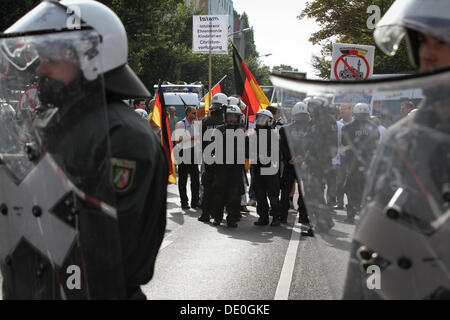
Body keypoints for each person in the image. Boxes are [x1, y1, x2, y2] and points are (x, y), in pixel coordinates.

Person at [0, 0, 167, 300]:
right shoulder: (54, 123)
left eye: (50, 57)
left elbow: (105, 254)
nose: (40, 68)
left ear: (91, 58)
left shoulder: (124, 135)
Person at [344, 0, 450, 299]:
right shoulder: (402, 138)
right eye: (422, 41)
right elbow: (370, 248)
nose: (428, 53)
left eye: (441, 41)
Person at [300, 97, 338, 234]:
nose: (310, 108)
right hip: (321, 162)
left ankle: (320, 224)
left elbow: (317, 144)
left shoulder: (322, 121)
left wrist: (307, 160)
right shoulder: (325, 119)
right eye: (309, 105)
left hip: (317, 162)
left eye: (313, 105)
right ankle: (325, 222)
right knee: (316, 193)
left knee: (314, 193)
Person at [341, 103, 379, 223]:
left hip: (352, 165)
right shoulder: (374, 127)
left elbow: (344, 143)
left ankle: (351, 216)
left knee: (350, 189)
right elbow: (375, 143)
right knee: (366, 191)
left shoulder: (347, 127)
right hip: (367, 165)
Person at [209, 104, 246, 228]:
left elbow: (247, 149)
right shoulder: (219, 130)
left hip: (236, 168)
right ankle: (217, 217)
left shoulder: (242, 131)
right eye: (230, 116)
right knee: (219, 193)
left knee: (234, 195)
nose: (232, 119)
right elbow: (212, 148)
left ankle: (232, 218)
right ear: (225, 116)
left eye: (234, 117)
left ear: (238, 118)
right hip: (221, 168)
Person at [198, 93, 227, 222]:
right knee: (220, 186)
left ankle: (205, 214)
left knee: (207, 186)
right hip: (223, 159)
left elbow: (201, 140)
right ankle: (217, 214)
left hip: (208, 157)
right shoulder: (226, 120)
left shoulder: (205, 120)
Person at [251, 109, 282, 227]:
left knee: (273, 195)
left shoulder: (274, 135)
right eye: (259, 118)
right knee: (260, 194)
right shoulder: (253, 134)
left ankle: (276, 217)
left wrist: (262, 156)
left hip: (271, 170)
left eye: (263, 119)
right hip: (258, 169)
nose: (260, 121)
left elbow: (275, 152)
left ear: (269, 121)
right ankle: (263, 217)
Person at [279, 102, 309, 224]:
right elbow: (312, 147)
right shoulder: (311, 129)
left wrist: (290, 159)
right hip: (303, 165)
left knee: (285, 191)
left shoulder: (284, 129)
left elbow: (282, 147)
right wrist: (303, 158)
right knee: (304, 192)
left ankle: (283, 216)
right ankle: (303, 217)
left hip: (290, 164)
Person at [174, 106, 200, 210]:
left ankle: (195, 201)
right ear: (188, 113)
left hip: (193, 152)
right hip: (183, 152)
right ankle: (184, 202)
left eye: (195, 113)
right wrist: (191, 138)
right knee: (183, 179)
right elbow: (177, 141)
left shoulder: (196, 124)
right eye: (194, 113)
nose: (195, 115)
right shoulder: (180, 124)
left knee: (195, 180)